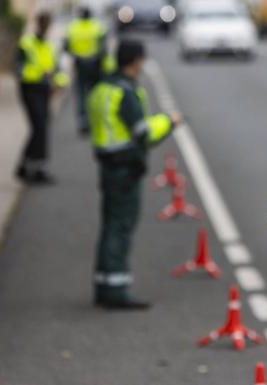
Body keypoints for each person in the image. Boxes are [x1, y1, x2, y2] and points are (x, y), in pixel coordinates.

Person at [87, 39, 182, 310]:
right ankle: (116, 291)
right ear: (136, 61)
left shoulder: (102, 89)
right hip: (126, 169)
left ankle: (104, 284)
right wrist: (170, 122)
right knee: (121, 228)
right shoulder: (126, 93)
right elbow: (144, 135)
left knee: (109, 226)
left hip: (107, 166)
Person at [15, 11, 68, 185]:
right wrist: (42, 75)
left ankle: (26, 166)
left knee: (41, 127)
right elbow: (19, 70)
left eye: (47, 24)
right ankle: (36, 168)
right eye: (43, 23)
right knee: (40, 127)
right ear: (37, 24)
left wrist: (59, 83)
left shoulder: (50, 45)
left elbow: (57, 69)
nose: (45, 27)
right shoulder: (26, 43)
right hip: (30, 90)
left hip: (45, 91)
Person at [65, 6, 106, 136]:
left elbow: (67, 47)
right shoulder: (97, 27)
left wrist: (77, 55)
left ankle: (83, 122)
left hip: (80, 64)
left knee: (81, 94)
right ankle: (95, 120)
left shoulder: (73, 27)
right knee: (94, 94)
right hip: (95, 65)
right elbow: (103, 49)